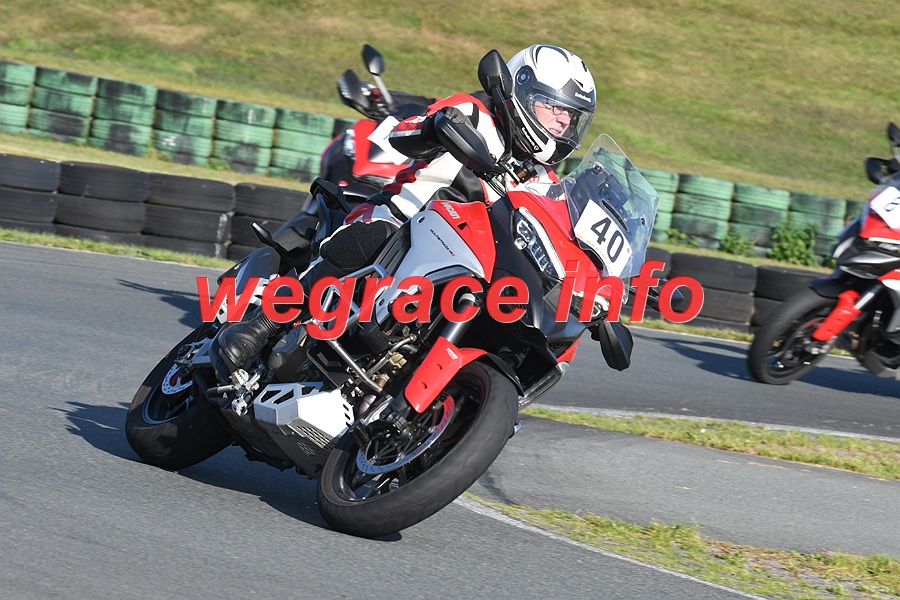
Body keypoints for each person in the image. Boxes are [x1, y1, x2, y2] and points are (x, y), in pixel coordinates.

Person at [213, 44, 597, 377]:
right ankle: (263, 324)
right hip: (406, 218)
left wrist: (593, 295)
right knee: (377, 233)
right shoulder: (473, 112)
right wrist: (434, 129)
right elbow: (403, 132)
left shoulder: (546, 182)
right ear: (522, 92)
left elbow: (557, 240)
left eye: (571, 116)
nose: (563, 121)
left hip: (471, 260)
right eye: (554, 107)